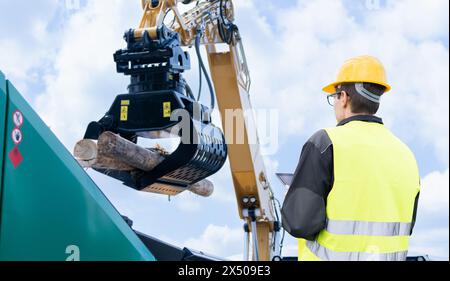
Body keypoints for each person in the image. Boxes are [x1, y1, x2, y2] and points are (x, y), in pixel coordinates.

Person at [281, 55, 420, 261]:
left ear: (343, 97)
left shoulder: (325, 143)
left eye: (334, 97)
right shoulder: (406, 155)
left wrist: (291, 197)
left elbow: (299, 222)